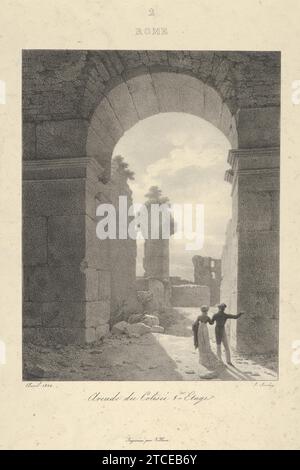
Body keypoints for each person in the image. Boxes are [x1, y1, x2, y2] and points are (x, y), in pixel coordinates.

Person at [192, 305, 219, 371]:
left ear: (201, 311)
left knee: (201, 341)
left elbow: (195, 323)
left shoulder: (199, 316)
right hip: (205, 329)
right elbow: (211, 323)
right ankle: (207, 357)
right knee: (206, 341)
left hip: (200, 329)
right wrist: (214, 319)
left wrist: (195, 328)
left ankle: (202, 359)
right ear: (206, 311)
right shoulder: (207, 317)